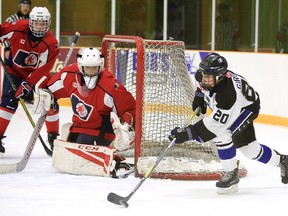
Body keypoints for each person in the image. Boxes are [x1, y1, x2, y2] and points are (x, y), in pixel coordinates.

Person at [169, 52, 288, 194]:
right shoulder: (207, 77)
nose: (204, 79)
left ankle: (231, 174)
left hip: (244, 110)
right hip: (237, 106)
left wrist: (188, 133)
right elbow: (201, 86)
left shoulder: (228, 95)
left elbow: (215, 126)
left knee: (222, 134)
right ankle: (283, 160)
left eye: (209, 77)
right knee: (251, 150)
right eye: (204, 75)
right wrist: (200, 96)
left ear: (219, 77)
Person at [32, 47, 136, 177]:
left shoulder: (110, 86)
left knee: (78, 159)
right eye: (88, 68)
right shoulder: (68, 75)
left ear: (100, 66)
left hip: (102, 132)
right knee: (70, 156)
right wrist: (45, 95)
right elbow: (50, 90)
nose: (91, 72)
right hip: (78, 128)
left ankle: (114, 158)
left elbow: (131, 109)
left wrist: (127, 125)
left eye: (94, 68)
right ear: (81, 66)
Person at [0, 6, 60, 157]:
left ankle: (53, 138)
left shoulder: (51, 43)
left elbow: (43, 69)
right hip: (14, 71)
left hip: (36, 76)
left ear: (48, 24)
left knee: (50, 100)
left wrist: (28, 84)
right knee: (9, 101)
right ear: (30, 22)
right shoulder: (20, 27)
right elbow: (3, 30)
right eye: (37, 23)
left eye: (43, 23)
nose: (39, 26)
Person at [4, 0, 34, 104]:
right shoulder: (12, 19)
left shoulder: (33, 20)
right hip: (14, 51)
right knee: (12, 72)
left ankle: (28, 97)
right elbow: (5, 32)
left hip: (29, 53)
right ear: (19, 6)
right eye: (23, 5)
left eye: (27, 5)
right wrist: (7, 49)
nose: (25, 8)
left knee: (28, 73)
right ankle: (9, 95)